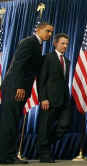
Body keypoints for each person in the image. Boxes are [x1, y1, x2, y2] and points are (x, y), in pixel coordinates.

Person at [0, 22, 53, 164]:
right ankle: (5, 156)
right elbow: (18, 64)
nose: (50, 34)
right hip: (15, 88)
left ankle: (8, 155)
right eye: (48, 31)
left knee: (12, 122)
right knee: (9, 122)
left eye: (51, 32)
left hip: (19, 88)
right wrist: (19, 86)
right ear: (39, 29)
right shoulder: (29, 42)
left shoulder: (37, 44)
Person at [38, 33, 71, 163]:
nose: (65, 46)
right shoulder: (47, 58)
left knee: (65, 124)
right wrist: (43, 98)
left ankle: (44, 144)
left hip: (63, 100)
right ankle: (44, 154)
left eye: (67, 44)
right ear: (55, 43)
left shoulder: (67, 61)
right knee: (45, 126)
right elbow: (41, 79)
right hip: (49, 100)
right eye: (63, 43)